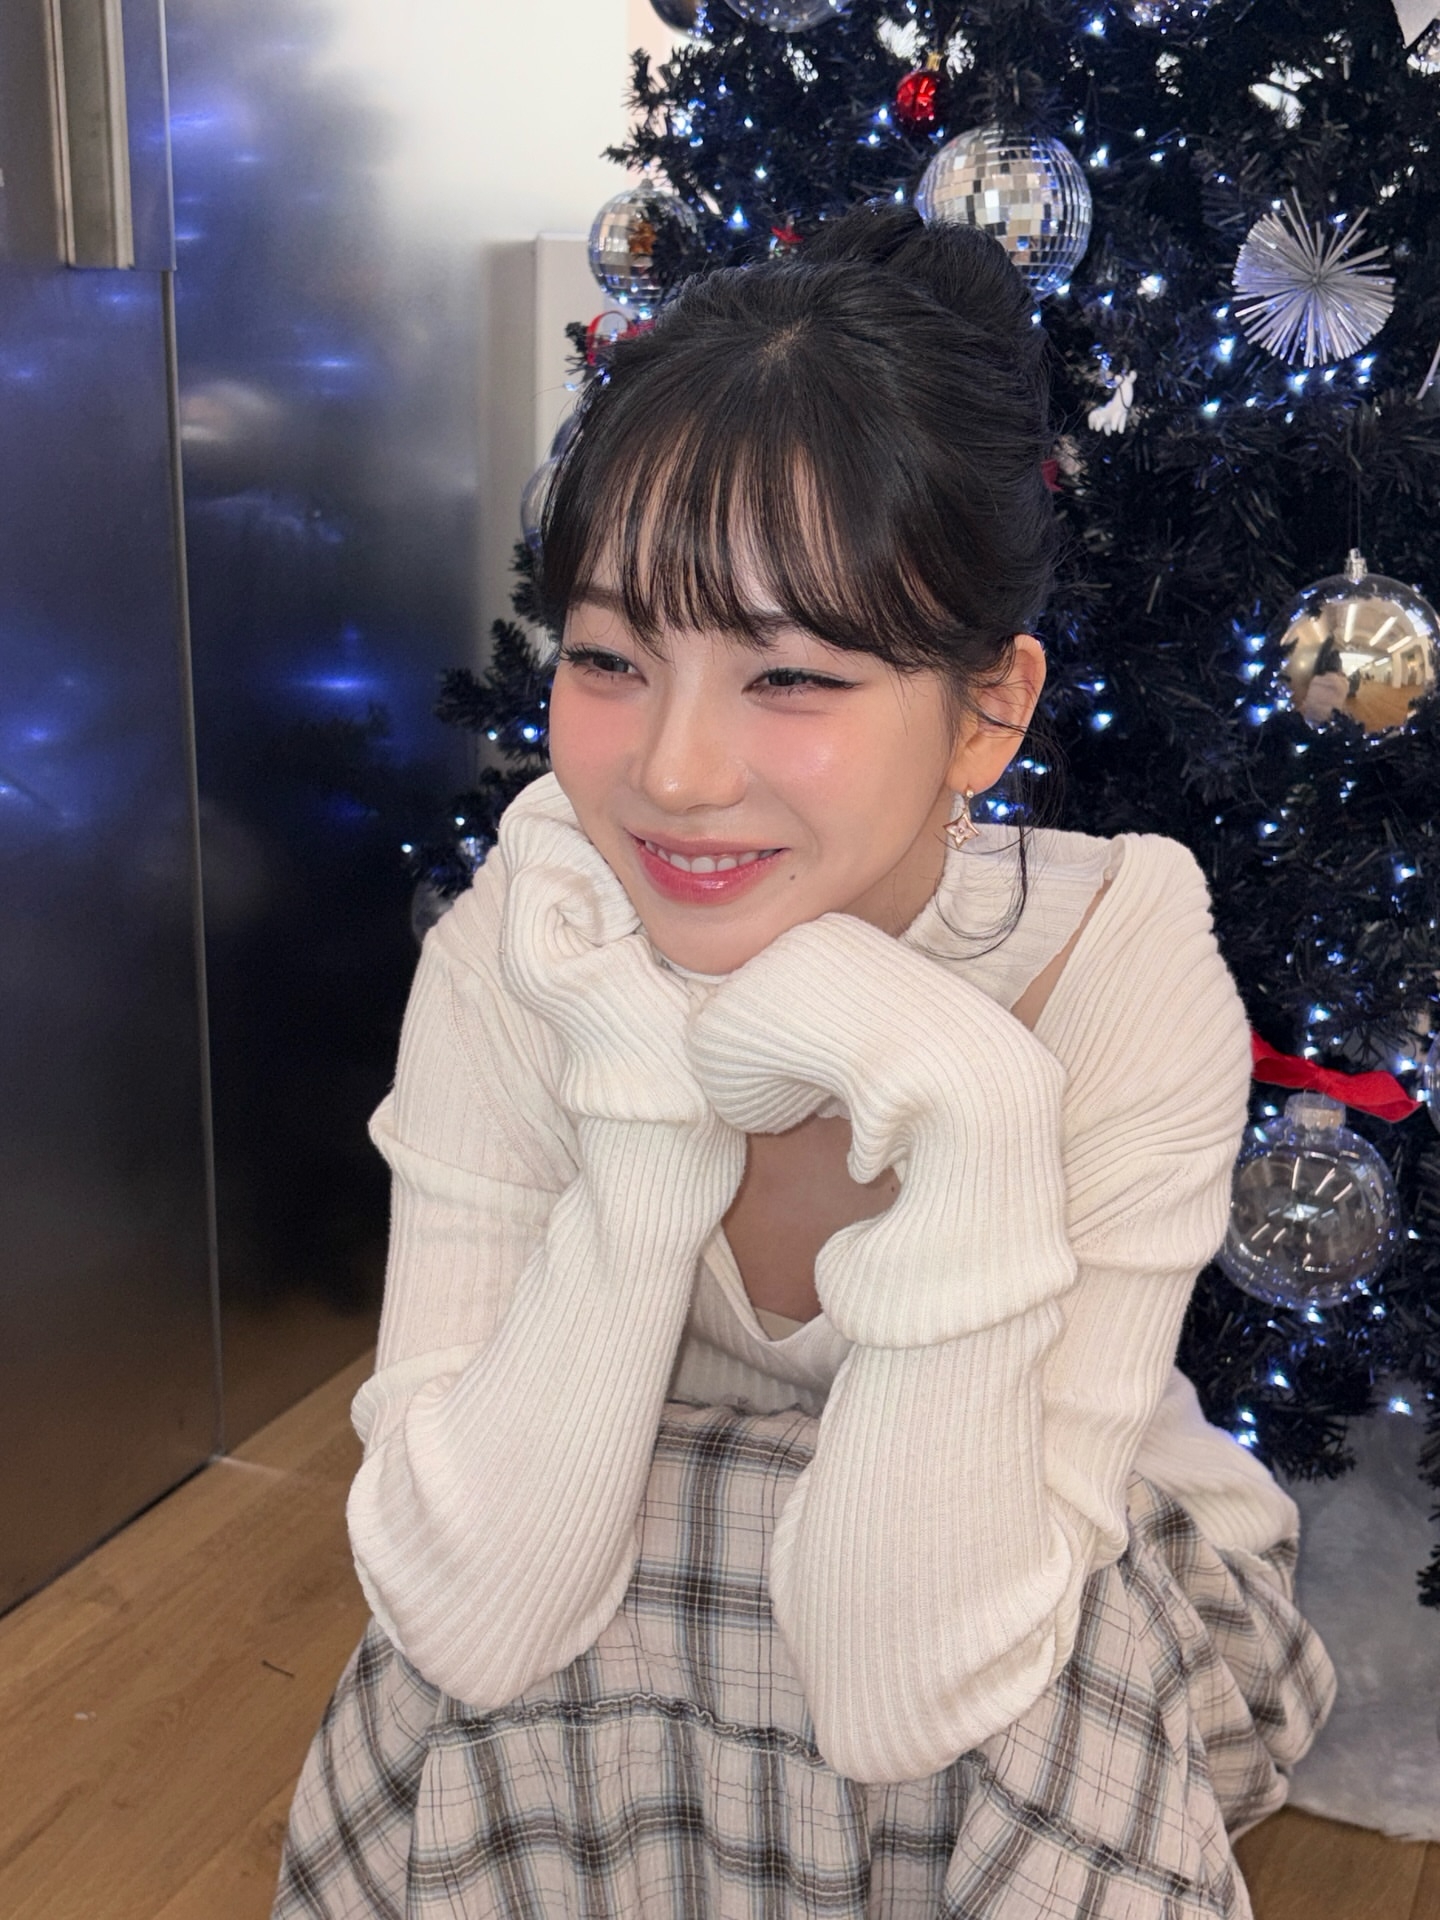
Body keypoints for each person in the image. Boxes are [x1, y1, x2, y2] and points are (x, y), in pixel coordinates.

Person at [273, 204, 1334, 1920]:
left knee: (965, 1610)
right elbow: (466, 1625)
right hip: (637, 1641)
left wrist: (976, 1114)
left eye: (791, 674)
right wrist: (641, 1117)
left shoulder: (1122, 964)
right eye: (609, 659)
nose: (674, 775)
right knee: (571, 1529)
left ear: (990, 710)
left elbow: (919, 1686)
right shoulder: (538, 940)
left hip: (1088, 1614)